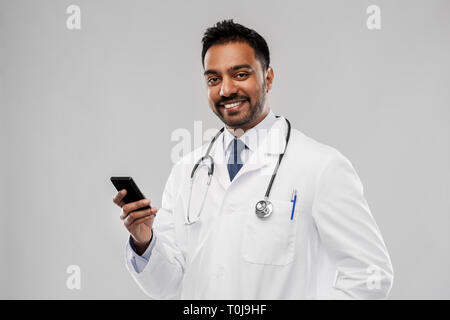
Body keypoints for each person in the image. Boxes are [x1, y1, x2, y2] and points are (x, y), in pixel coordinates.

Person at [112, 19, 393, 299]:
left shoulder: (321, 167)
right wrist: (144, 241)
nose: (226, 90)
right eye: (214, 79)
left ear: (268, 77)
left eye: (240, 74)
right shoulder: (187, 171)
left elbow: (370, 275)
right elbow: (168, 286)